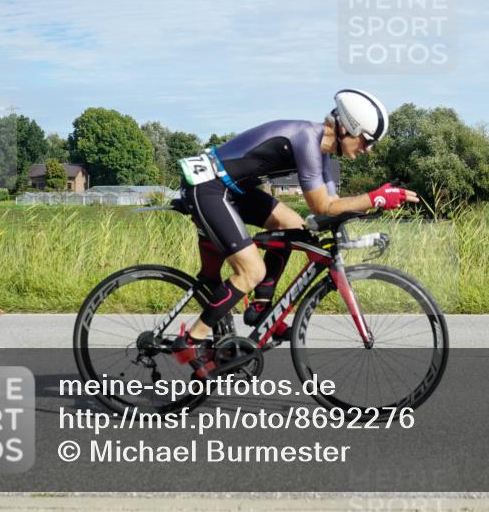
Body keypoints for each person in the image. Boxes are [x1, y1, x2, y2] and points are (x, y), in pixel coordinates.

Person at [173, 89, 417, 370]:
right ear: (350, 128)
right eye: (367, 140)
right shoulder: (306, 139)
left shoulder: (323, 155)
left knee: (293, 226)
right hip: (208, 187)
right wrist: (374, 197)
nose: (368, 148)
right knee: (251, 270)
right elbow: (321, 206)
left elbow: (333, 206)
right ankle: (192, 339)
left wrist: (371, 206)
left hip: (232, 188)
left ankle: (262, 310)